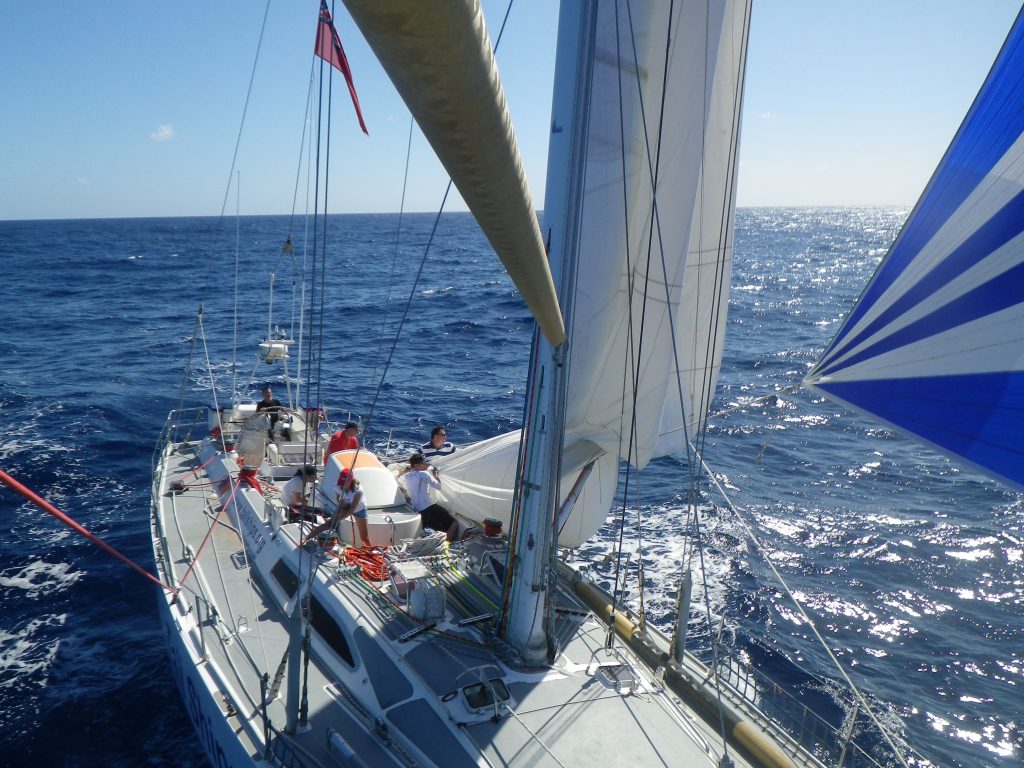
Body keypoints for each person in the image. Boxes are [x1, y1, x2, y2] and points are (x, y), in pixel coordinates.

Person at [399, 453, 459, 542]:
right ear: (417, 465)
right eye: (424, 463)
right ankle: (447, 545)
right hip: (427, 507)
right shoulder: (423, 474)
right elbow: (438, 486)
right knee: (454, 523)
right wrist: (435, 475)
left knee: (434, 528)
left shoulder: (407, 476)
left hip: (416, 509)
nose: (426, 465)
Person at [306, 468, 369, 547]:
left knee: (364, 537)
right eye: (341, 483)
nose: (342, 485)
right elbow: (338, 498)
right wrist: (341, 507)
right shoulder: (337, 486)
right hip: (345, 506)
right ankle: (306, 538)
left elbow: (351, 510)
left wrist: (337, 519)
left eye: (344, 483)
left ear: (351, 481)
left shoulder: (358, 491)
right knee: (328, 524)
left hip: (358, 509)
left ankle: (370, 552)